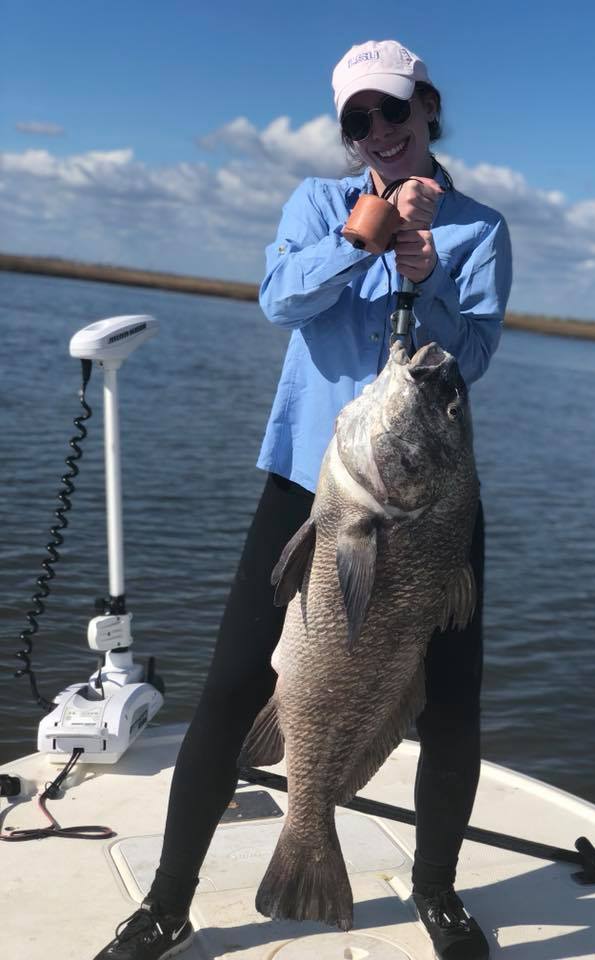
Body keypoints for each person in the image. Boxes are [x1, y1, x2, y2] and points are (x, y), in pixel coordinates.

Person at [93, 38, 511, 960]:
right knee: (234, 684)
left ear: (427, 109)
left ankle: (436, 895)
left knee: (451, 705)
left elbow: (470, 358)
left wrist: (426, 274)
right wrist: (361, 235)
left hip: (432, 502)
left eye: (392, 113)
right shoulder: (319, 204)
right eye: (357, 121)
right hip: (310, 488)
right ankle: (167, 903)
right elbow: (280, 300)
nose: (378, 133)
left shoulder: (479, 230)